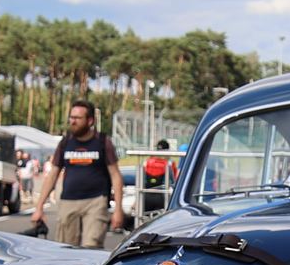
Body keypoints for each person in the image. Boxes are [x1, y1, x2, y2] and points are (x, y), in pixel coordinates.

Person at [31, 100, 124, 247]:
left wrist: (118, 209)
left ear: (90, 121)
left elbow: (116, 176)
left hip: (96, 202)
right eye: (71, 117)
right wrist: (39, 207)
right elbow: (53, 174)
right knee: (66, 249)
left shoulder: (102, 142)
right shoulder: (65, 142)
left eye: (77, 118)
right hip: (68, 202)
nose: (72, 121)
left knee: (91, 247)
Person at [141, 139, 179, 217]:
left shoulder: (146, 162)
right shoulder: (169, 163)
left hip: (146, 195)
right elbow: (174, 181)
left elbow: (142, 181)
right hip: (162, 197)